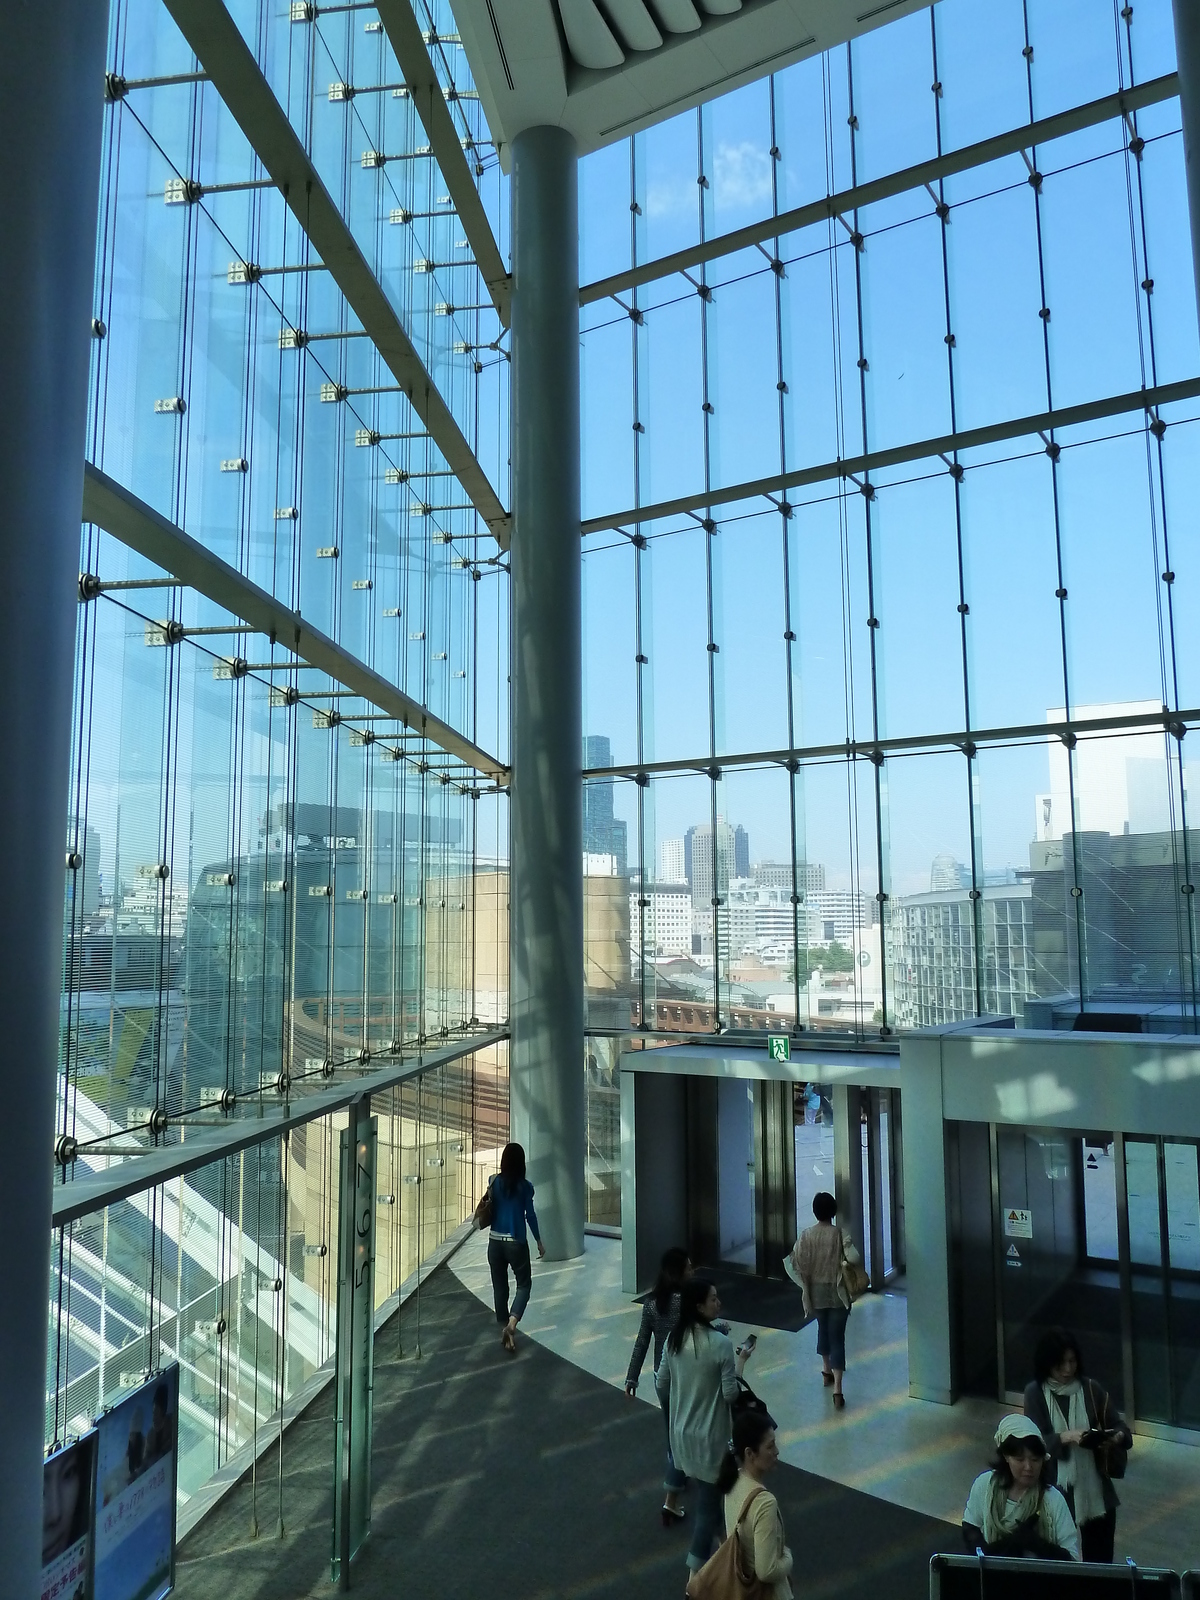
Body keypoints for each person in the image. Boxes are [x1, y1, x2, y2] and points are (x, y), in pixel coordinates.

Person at [657, 1277, 752, 1581]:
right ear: (699, 1306)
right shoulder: (721, 1345)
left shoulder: (673, 1340)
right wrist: (741, 1363)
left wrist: (675, 1408)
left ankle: (727, 1548)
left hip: (681, 1434)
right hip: (712, 1438)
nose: (718, 1302)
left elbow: (661, 1384)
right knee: (709, 1507)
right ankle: (693, 1580)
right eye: (713, 1299)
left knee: (708, 1498)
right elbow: (730, 1395)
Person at [1023, 1326, 1131, 1563]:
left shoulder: (1091, 1389)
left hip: (1097, 1495)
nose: (1068, 1369)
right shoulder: (1035, 1393)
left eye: (1072, 1361)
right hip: (1056, 1495)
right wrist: (1066, 1436)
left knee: (1100, 1565)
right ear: (1047, 1363)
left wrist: (1114, 1438)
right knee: (1060, 1564)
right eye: (1061, 1363)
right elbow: (1033, 1443)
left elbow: (1122, 1429)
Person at [625, 1246, 692, 1525]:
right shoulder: (686, 1302)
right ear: (679, 1272)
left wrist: (631, 1376)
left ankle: (677, 1469)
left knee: (670, 1425)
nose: (693, 1270)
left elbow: (642, 1341)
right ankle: (673, 1488)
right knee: (685, 1430)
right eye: (690, 1267)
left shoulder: (653, 1303)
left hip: (659, 1376)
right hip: (684, 1374)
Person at [962, 1414, 1080, 1561]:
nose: (1028, 1467)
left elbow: (1073, 1559)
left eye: (1035, 1460)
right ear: (1006, 1456)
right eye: (1019, 1459)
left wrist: (1037, 1544)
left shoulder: (1053, 1499)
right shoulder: (985, 1485)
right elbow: (970, 1526)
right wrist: (996, 1550)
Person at [791, 1191, 861, 1409]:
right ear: (833, 1211)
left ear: (814, 1211)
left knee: (822, 1330)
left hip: (816, 1293)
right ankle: (838, 1390)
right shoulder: (839, 1234)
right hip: (838, 1293)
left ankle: (825, 1371)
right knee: (837, 1338)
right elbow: (855, 1258)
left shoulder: (806, 1235)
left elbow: (797, 1263)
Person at [715, 1411, 794, 1599]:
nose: (776, 1451)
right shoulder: (764, 1502)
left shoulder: (733, 1482)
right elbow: (767, 1570)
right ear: (750, 1453)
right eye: (770, 1446)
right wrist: (788, 1557)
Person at [485, 1142, 545, 1352]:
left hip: (494, 1243)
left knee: (500, 1287)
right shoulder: (526, 1187)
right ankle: (511, 1326)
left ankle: (504, 1328)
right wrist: (538, 1241)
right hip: (515, 1243)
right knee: (524, 1285)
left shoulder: (493, 1181)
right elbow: (531, 1216)